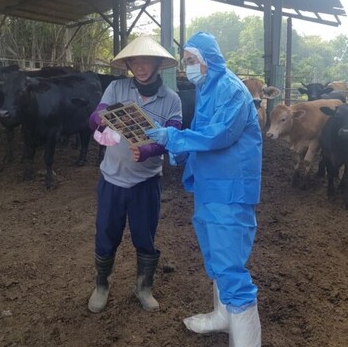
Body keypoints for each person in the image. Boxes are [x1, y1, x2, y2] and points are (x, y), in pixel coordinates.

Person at [145, 31, 262, 347]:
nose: (187, 68)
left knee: (230, 267)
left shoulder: (231, 91)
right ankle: (223, 316)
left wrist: (175, 139)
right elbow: (198, 134)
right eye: (185, 61)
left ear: (209, 60)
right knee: (216, 258)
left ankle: (247, 341)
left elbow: (218, 135)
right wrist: (174, 146)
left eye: (191, 60)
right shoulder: (207, 90)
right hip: (210, 189)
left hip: (230, 190)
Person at [87, 36, 182, 313]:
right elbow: (97, 115)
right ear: (129, 65)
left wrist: (151, 149)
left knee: (145, 236)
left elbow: (173, 134)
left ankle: (144, 287)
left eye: (146, 61)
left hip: (146, 182)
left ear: (157, 64)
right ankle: (101, 286)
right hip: (112, 178)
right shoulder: (116, 88)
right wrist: (99, 119)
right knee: (106, 234)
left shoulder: (171, 100)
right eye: (135, 62)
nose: (140, 67)